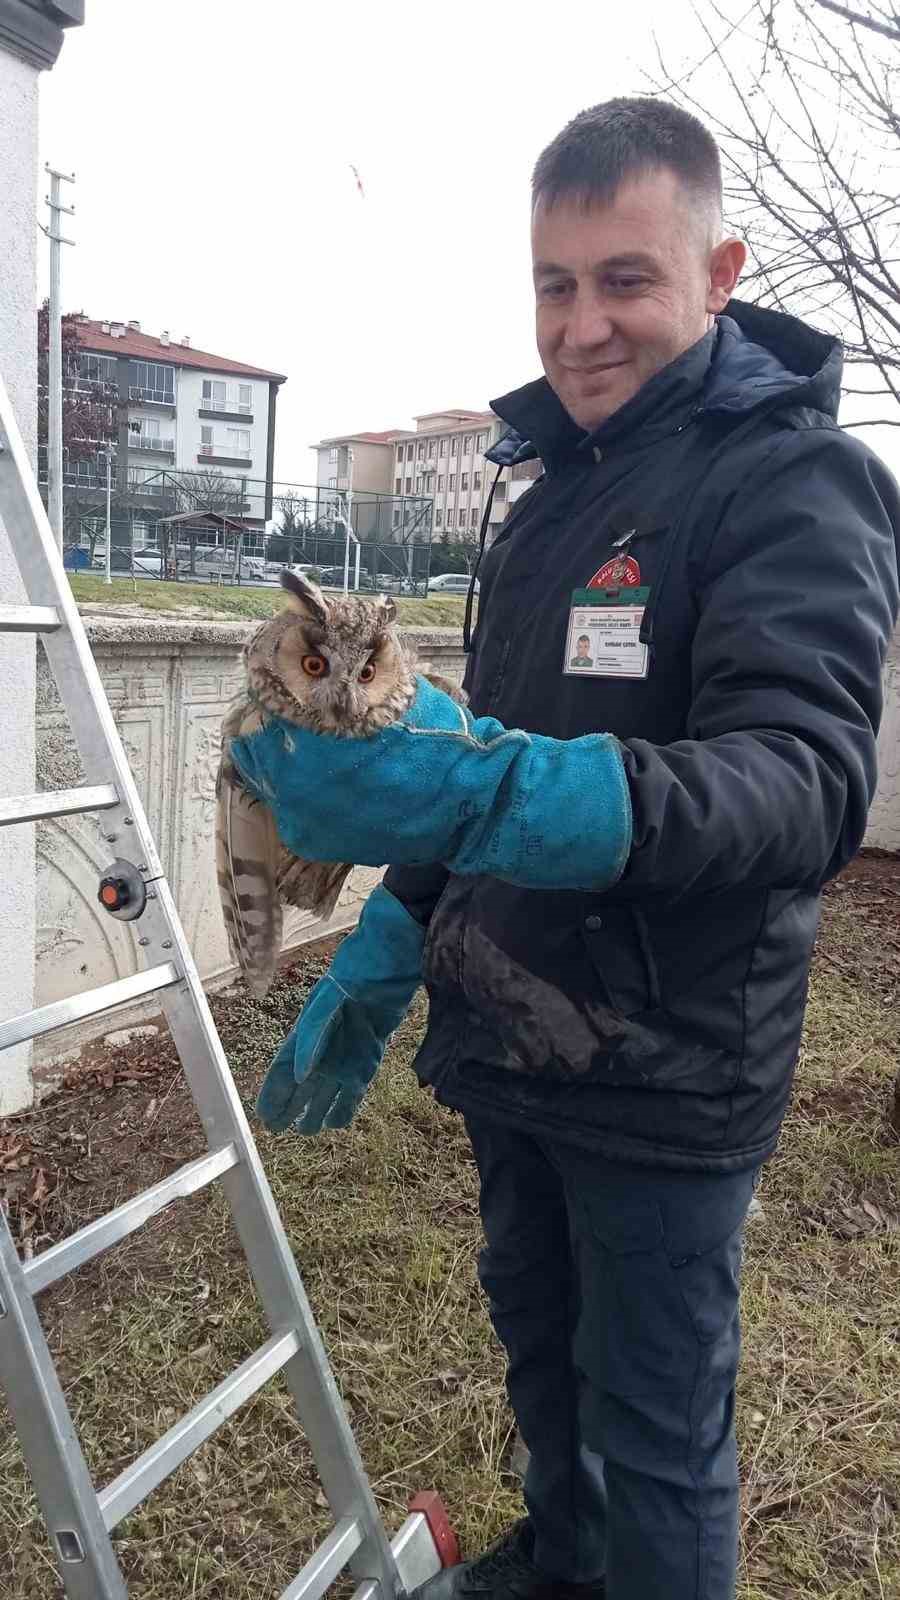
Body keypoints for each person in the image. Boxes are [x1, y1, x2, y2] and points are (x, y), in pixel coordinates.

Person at [230, 98, 900, 1600]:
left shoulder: (795, 482)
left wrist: (505, 802)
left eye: (626, 279)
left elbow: (801, 788)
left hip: (666, 1060)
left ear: (720, 274)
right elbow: (478, 768)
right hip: (509, 1025)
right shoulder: (541, 501)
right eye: (554, 282)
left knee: (657, 1433)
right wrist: (396, 939)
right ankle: (557, 1571)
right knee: (542, 1354)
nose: (583, 325)